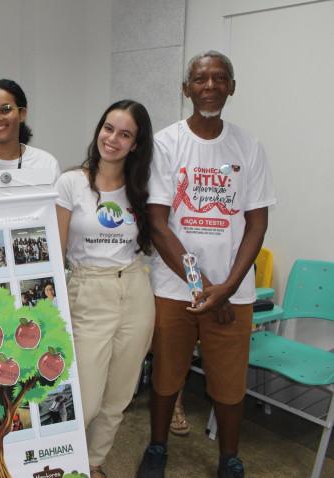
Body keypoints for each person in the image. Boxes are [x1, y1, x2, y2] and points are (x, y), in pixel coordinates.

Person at [136, 51, 275, 478]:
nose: (210, 85)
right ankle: (157, 448)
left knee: (230, 384)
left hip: (233, 293)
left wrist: (229, 287)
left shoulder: (248, 147)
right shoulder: (165, 143)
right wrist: (205, 287)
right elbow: (158, 225)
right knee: (166, 376)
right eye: (200, 78)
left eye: (219, 78)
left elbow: (257, 224)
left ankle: (229, 458)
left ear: (232, 86)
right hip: (177, 290)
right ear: (186, 89)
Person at [56, 100, 156, 478]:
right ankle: (61, 463)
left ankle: (93, 462)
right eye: (108, 128)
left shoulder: (141, 188)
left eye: (125, 134)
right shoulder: (71, 182)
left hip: (135, 289)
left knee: (119, 396)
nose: (112, 139)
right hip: (87, 290)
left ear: (136, 144)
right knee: (85, 398)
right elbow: (56, 250)